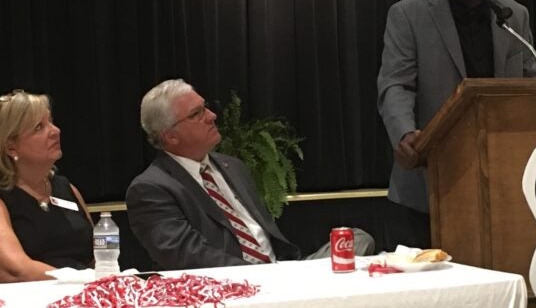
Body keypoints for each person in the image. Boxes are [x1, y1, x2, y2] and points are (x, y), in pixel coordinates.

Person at [377, 0, 536, 249]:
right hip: (431, 175)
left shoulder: (512, 15)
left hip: (501, 174)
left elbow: (529, 83)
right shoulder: (409, 14)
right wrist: (404, 132)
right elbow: (395, 82)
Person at [127, 79, 373, 270]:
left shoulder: (233, 167)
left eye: (206, 108)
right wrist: (264, 277)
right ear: (170, 136)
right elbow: (189, 257)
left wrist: (283, 273)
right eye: (197, 114)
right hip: (232, 285)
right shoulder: (152, 188)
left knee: (359, 239)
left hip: (282, 270)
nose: (212, 116)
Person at [0, 89, 93, 284]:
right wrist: (85, 281)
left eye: (51, 122)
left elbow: (100, 256)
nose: (55, 131)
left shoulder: (66, 188)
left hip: (84, 299)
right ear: (10, 147)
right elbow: (14, 271)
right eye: (39, 127)